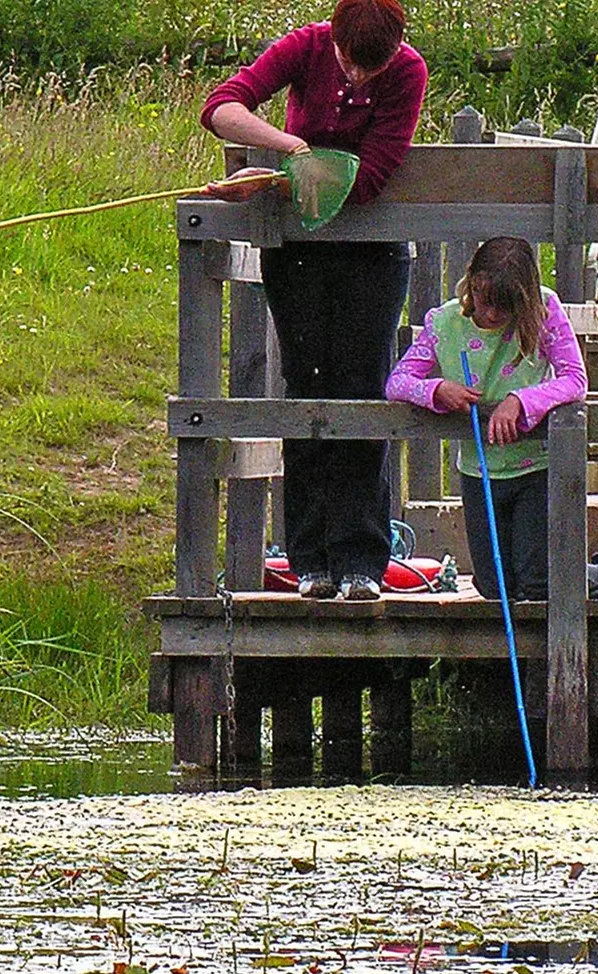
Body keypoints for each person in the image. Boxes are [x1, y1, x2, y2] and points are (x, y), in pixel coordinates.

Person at [200, 0, 429, 601]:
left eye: (367, 72)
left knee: (362, 390)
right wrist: (288, 148)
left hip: (372, 253)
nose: (355, 80)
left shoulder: (408, 71)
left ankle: (361, 557)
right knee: (303, 388)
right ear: (334, 42)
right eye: (348, 65)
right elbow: (222, 107)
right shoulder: (306, 45)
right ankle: (309, 558)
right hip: (297, 250)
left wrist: (280, 177)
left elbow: (372, 176)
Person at [386, 236, 598, 601]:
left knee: (538, 582)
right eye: (484, 300)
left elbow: (575, 379)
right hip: (479, 469)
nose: (493, 314)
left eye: (506, 306)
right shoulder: (444, 323)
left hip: (535, 467)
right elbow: (398, 382)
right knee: (496, 588)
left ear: (524, 299)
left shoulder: (545, 310)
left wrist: (521, 401)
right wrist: (437, 390)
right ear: (471, 283)